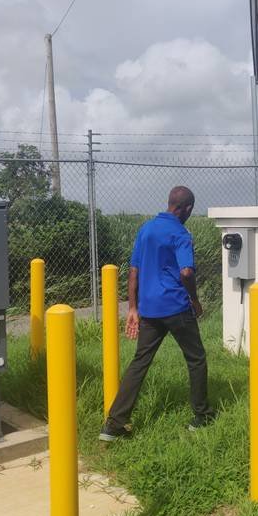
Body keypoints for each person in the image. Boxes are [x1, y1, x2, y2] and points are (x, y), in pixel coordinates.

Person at [99, 186, 215, 441]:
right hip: (176, 306)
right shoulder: (180, 233)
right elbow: (186, 272)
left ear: (169, 202)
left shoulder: (146, 229)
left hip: (149, 308)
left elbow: (133, 271)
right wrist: (195, 300)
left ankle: (114, 424)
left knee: (140, 361)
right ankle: (202, 416)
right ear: (187, 208)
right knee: (196, 358)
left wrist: (133, 307)